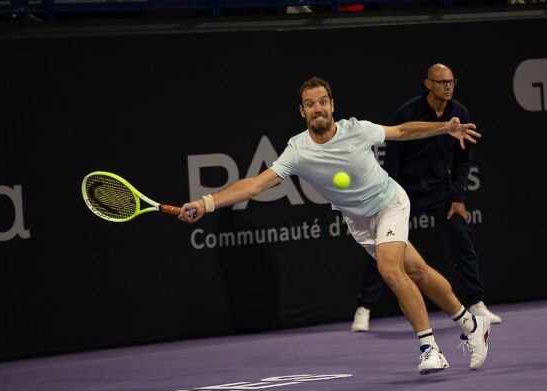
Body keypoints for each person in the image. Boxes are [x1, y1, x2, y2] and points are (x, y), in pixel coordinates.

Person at [178, 77, 491, 375]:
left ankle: (430, 348)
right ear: (302, 111)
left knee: (390, 269)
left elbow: (402, 131)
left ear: (332, 105)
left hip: (390, 203)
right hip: (359, 221)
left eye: (323, 102)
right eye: (310, 104)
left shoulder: (358, 130)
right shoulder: (298, 150)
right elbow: (255, 186)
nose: (318, 108)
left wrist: (443, 127)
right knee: (418, 271)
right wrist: (206, 203)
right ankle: (472, 325)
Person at [351, 64, 501, 333]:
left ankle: (476, 303)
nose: (448, 86)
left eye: (452, 81)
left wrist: (457, 197)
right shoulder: (407, 112)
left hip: (439, 192)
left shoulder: (460, 113)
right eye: (442, 81)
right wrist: (389, 196)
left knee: (462, 240)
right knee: (384, 247)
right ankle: (365, 308)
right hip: (404, 190)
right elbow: (393, 159)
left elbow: (463, 161)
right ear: (428, 84)